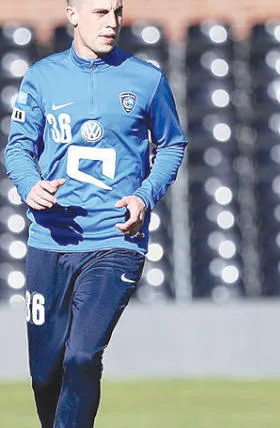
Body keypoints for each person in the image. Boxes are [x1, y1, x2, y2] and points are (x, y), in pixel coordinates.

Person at [3, 0, 187, 426]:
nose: (112, 23)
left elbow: (172, 144)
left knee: (83, 355)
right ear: (72, 15)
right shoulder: (42, 77)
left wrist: (144, 196)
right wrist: (31, 186)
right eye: (100, 12)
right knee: (44, 373)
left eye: (117, 12)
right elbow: (18, 147)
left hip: (115, 241)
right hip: (51, 241)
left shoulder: (146, 80)